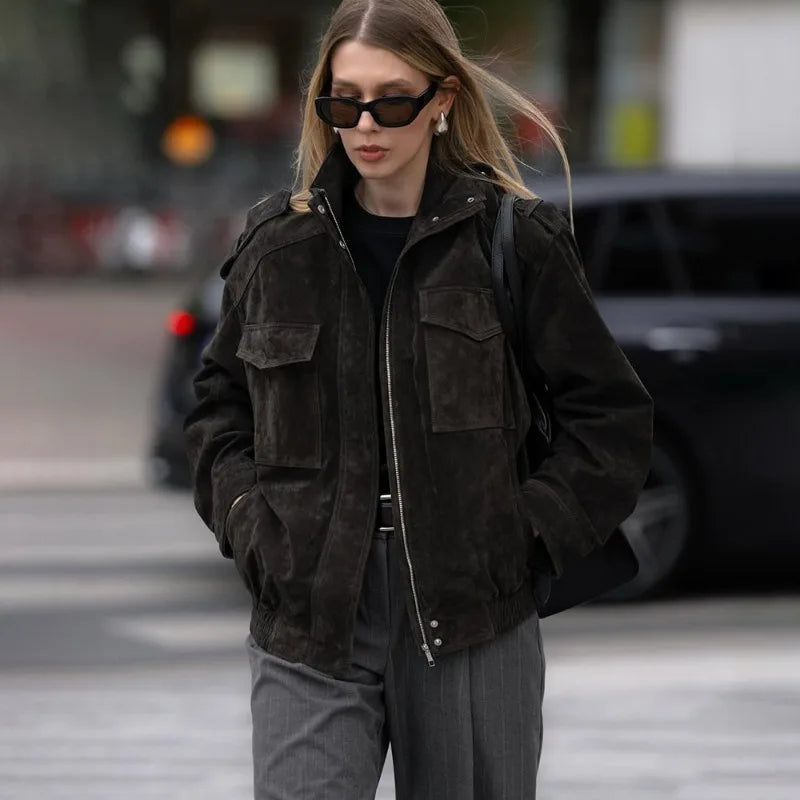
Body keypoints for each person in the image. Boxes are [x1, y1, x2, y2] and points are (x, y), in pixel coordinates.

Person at [183, 0, 654, 797]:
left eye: (392, 101)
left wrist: (523, 536)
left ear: (442, 100)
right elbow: (217, 413)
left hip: (471, 614)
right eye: (344, 103)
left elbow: (610, 421)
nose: (366, 124)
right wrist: (250, 526)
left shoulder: (513, 241)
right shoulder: (278, 248)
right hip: (311, 613)